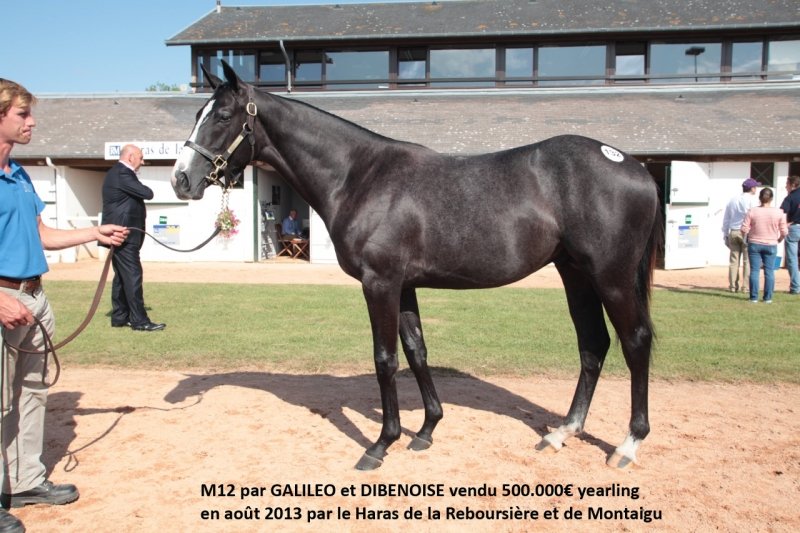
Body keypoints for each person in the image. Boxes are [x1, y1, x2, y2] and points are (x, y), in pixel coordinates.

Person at [0, 78, 128, 532]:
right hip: (3, 299)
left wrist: (95, 233)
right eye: (22, 114)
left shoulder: (18, 174)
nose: (32, 122)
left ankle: (25, 482)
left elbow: (41, 235)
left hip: (34, 296)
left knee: (32, 395)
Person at [101, 144, 165, 331]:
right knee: (133, 276)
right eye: (141, 157)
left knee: (122, 277)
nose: (142, 162)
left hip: (122, 235)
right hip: (124, 235)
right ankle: (140, 321)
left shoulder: (118, 173)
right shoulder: (123, 173)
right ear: (130, 157)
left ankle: (120, 317)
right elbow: (147, 193)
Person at [741, 187, 788, 304]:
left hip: (754, 243)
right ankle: (768, 298)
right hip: (771, 243)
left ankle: (754, 297)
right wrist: (779, 239)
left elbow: (744, 228)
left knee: (754, 271)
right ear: (771, 198)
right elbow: (784, 231)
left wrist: (747, 238)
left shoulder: (752, 211)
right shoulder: (779, 212)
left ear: (760, 198)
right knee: (769, 271)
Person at [721, 178, 760, 293]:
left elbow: (726, 218)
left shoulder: (733, 200)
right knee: (747, 261)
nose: (756, 189)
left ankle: (733, 286)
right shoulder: (752, 200)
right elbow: (755, 218)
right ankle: (745, 287)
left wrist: (725, 234)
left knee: (734, 261)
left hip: (733, 230)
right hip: (746, 231)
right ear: (752, 188)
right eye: (755, 187)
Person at [780, 175, 800, 295]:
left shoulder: (790, 197)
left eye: (787, 184)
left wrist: (785, 224)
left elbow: (782, 213)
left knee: (792, 259)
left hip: (794, 228)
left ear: (792, 185)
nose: (785, 187)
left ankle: (796, 287)